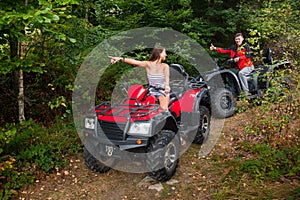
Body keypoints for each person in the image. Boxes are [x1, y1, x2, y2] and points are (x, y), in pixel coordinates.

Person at [108, 46, 170, 110]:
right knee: (143, 108)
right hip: (151, 91)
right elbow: (135, 62)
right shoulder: (148, 64)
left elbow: (167, 79)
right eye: (164, 52)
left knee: (164, 110)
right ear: (159, 54)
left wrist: (167, 87)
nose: (166, 54)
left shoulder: (165, 66)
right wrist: (120, 58)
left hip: (162, 91)